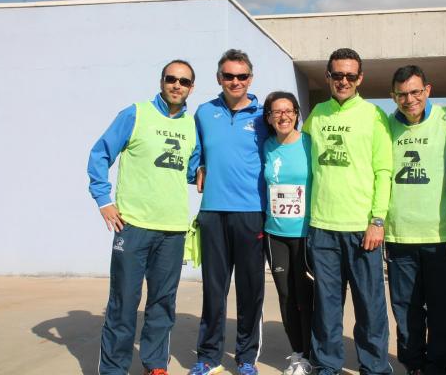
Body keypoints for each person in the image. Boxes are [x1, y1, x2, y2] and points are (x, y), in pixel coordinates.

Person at [87, 59, 199, 375]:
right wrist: (103, 200)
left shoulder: (192, 126)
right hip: (133, 226)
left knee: (163, 304)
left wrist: (202, 172)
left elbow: (192, 168)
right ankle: (113, 369)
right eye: (171, 79)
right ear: (162, 81)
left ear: (192, 87)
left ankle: (155, 364)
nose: (177, 85)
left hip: (173, 230)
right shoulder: (135, 114)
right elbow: (100, 154)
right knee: (123, 302)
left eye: (185, 81)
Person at [303, 48, 393, 375]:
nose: (343, 81)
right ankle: (327, 366)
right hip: (322, 229)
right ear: (328, 76)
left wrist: (377, 220)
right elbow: (302, 163)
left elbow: (384, 172)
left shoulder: (374, 116)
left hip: (362, 230)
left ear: (360, 79)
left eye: (350, 76)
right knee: (326, 308)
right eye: (337, 75)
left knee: (370, 308)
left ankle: (375, 367)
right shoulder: (317, 115)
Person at [190, 49, 267, 375]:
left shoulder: (265, 116)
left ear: (250, 78)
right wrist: (200, 165)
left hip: (252, 214)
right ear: (219, 77)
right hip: (213, 214)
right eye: (228, 75)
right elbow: (195, 153)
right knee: (214, 291)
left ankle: (246, 358)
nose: (235, 81)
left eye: (242, 76)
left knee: (250, 291)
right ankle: (208, 357)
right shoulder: (204, 112)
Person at [384, 65, 446, 375]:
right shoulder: (385, 126)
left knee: (442, 311)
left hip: (440, 237)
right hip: (400, 237)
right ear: (393, 96)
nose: (409, 99)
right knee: (406, 311)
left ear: (428, 90)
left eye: (416, 92)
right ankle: (414, 365)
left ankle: (440, 367)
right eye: (402, 94)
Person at [262, 91, 314, 375]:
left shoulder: (310, 144)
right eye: (276, 112)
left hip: (305, 233)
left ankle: (311, 354)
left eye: (288, 110)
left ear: (296, 113)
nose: (283, 116)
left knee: (306, 297)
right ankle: (297, 354)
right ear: (268, 118)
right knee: (286, 296)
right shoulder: (266, 147)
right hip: (275, 233)